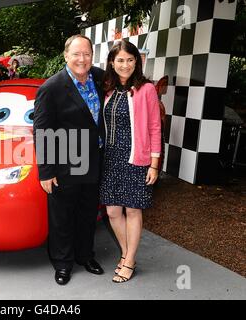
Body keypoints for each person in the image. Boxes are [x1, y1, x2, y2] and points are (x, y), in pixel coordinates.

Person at [33, 34, 106, 286]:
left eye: (86, 54)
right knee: (62, 217)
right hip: (65, 164)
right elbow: (41, 131)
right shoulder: (51, 88)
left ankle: (85, 256)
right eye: (76, 54)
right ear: (66, 56)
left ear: (92, 56)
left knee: (88, 214)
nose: (82, 59)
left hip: (94, 162)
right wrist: (45, 171)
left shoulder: (98, 78)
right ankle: (62, 264)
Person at [99, 40, 161, 283]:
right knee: (113, 211)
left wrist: (154, 164)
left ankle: (130, 259)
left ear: (138, 62)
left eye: (130, 60)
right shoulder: (108, 89)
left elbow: (155, 127)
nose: (125, 65)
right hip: (110, 159)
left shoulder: (146, 89)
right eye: (120, 60)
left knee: (133, 209)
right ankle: (126, 254)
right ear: (112, 63)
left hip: (136, 158)